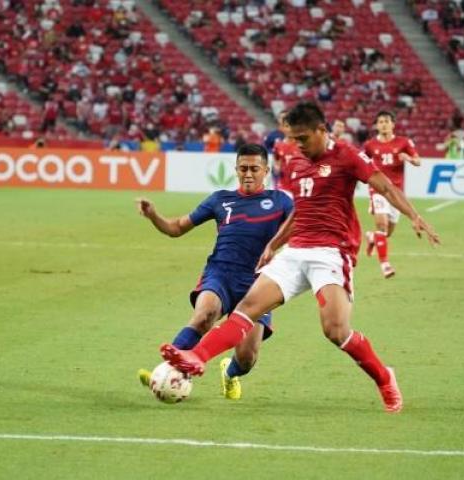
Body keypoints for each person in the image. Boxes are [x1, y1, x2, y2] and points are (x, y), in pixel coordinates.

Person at [160, 102, 440, 413]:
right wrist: (275, 244)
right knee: (247, 308)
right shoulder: (295, 162)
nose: (298, 145)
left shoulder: (347, 155)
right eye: (294, 138)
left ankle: (384, 376)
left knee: (335, 330)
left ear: (322, 130)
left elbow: (385, 186)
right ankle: (196, 357)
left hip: (332, 252)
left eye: (303, 138)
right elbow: (300, 213)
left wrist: (413, 215)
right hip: (295, 251)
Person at [137, 143, 294, 400]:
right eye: (243, 168)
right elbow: (177, 227)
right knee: (204, 316)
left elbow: (301, 225)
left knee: (246, 357)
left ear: (266, 170)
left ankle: (229, 373)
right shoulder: (220, 199)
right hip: (220, 274)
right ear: (235, 169)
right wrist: (154, 215)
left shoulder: (281, 201)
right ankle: (164, 373)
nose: (248, 174)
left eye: (254, 168)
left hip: (259, 283)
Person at [362, 111, 421, 279]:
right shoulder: (370, 145)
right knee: (382, 224)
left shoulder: (403, 142)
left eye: (386, 121)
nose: (383, 124)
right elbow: (360, 163)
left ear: (393, 124)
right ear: (376, 125)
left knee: (387, 233)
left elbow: (418, 161)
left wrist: (409, 158)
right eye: (380, 122)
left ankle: (372, 237)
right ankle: (385, 264)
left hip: (396, 194)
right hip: (378, 189)